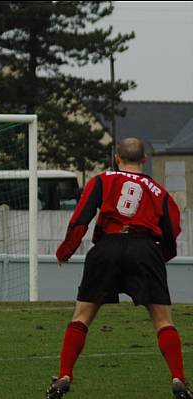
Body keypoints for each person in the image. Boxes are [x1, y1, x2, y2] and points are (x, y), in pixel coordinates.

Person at [45, 138, 191, 399]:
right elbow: (171, 233)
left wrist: (65, 250)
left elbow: (81, 218)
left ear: (116, 158)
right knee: (163, 321)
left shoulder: (101, 180)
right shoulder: (158, 190)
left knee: (81, 317)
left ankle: (65, 374)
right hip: (145, 248)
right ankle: (178, 378)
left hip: (107, 247)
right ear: (144, 160)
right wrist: (161, 256)